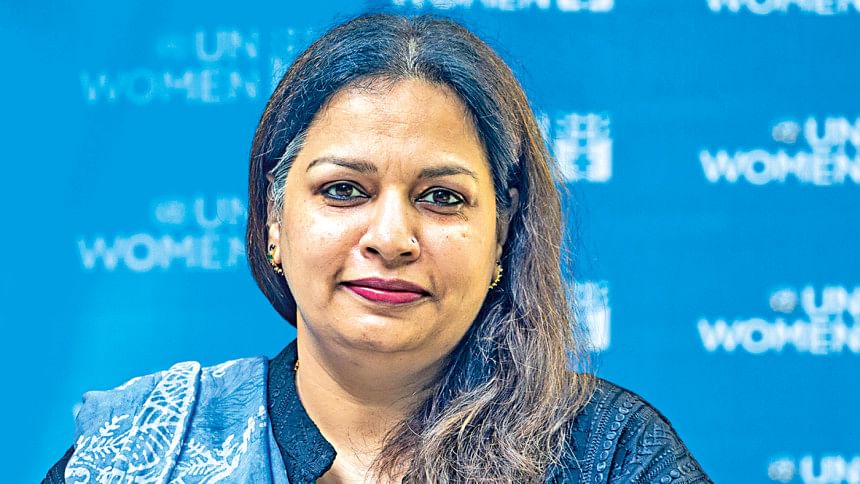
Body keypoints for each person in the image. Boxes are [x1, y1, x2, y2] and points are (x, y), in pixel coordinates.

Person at [44, 12, 712, 484]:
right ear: (274, 219)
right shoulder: (140, 452)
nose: (391, 238)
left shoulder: (606, 455)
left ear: (503, 234)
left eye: (441, 197)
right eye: (343, 190)